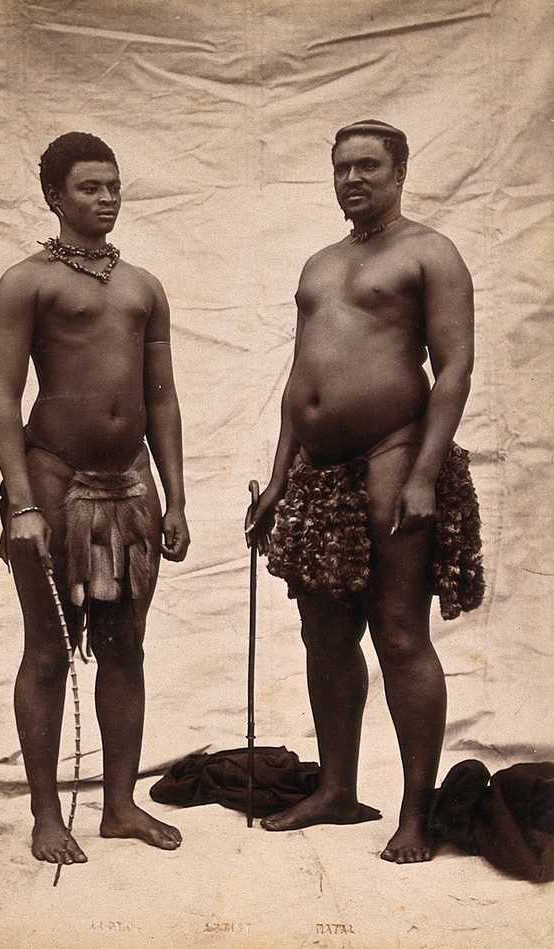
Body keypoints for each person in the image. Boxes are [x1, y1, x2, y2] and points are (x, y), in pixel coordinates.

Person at [246, 120, 484, 864]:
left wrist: (422, 472)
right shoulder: (318, 265)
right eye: (343, 167)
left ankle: (416, 812)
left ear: (401, 171)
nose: (354, 179)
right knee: (325, 634)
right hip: (318, 469)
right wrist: (280, 475)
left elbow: (453, 369)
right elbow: (298, 383)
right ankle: (338, 789)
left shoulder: (429, 252)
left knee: (400, 632)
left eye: (369, 166)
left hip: (394, 452)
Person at [0, 132, 190, 866]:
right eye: (89, 188)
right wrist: (21, 504)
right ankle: (47, 814)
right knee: (47, 650)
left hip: (130, 487)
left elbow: (161, 398)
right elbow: (3, 398)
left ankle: (121, 804)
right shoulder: (26, 282)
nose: (106, 198)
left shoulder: (142, 286)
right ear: (54, 197)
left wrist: (176, 499)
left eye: (113, 186)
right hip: (52, 479)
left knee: (124, 647)